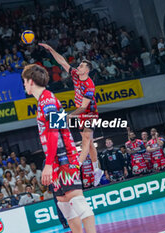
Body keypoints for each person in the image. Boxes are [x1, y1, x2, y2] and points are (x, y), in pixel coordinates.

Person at [21, 64, 96, 233]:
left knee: (77, 202)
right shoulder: (44, 100)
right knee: (64, 205)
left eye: (24, 81)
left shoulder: (47, 99)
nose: (24, 85)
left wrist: (48, 164)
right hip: (56, 160)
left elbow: (54, 132)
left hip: (64, 158)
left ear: (31, 82)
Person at [39, 43, 103, 187]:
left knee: (86, 140)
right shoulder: (75, 75)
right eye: (79, 65)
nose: (78, 67)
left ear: (87, 71)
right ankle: (97, 169)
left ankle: (76, 166)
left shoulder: (89, 85)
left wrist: (68, 117)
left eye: (81, 66)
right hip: (80, 114)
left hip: (89, 113)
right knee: (90, 143)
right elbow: (62, 61)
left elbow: (83, 107)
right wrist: (51, 49)